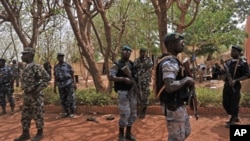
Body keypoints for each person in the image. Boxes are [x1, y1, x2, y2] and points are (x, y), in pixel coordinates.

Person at [155, 33, 194, 141]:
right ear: (171, 45)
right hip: (173, 105)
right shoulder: (169, 62)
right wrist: (186, 80)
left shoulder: (174, 60)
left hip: (178, 104)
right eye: (180, 42)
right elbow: (170, 86)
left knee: (186, 131)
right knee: (177, 138)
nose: (183, 44)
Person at [14, 47, 50, 141]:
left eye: (24, 54)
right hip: (27, 95)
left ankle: (40, 133)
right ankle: (25, 134)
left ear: (30, 55)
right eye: (22, 54)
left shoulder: (36, 66)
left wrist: (38, 89)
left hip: (36, 96)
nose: (22, 56)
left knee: (38, 114)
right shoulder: (25, 67)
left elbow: (47, 78)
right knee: (25, 115)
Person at [109, 45, 137, 141]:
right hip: (123, 92)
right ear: (122, 52)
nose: (127, 53)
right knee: (125, 114)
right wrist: (123, 79)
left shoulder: (132, 65)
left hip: (132, 92)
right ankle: (121, 135)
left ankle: (128, 133)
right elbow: (111, 77)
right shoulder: (117, 64)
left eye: (129, 52)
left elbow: (135, 78)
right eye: (125, 51)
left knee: (133, 114)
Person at [220, 45, 250, 128]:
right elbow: (223, 72)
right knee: (225, 102)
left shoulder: (242, 63)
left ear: (239, 53)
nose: (232, 52)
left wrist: (236, 80)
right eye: (231, 51)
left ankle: (233, 119)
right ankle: (235, 116)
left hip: (235, 86)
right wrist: (222, 66)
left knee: (234, 103)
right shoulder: (228, 62)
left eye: (234, 51)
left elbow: (247, 75)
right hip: (227, 85)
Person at [54, 53, 77, 118]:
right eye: (60, 57)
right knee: (63, 99)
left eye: (62, 57)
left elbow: (72, 74)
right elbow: (55, 76)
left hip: (68, 83)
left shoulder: (68, 65)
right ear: (57, 58)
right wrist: (54, 87)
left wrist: (74, 83)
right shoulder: (56, 67)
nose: (61, 58)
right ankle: (66, 112)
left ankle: (72, 112)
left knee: (71, 98)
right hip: (60, 84)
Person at [133, 48, 153, 118]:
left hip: (145, 80)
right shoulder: (136, 60)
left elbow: (150, 65)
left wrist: (141, 65)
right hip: (138, 80)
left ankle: (144, 110)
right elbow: (134, 66)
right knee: (137, 94)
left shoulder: (148, 59)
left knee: (145, 94)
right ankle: (138, 110)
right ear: (140, 53)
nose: (143, 54)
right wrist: (142, 65)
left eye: (144, 52)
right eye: (142, 52)